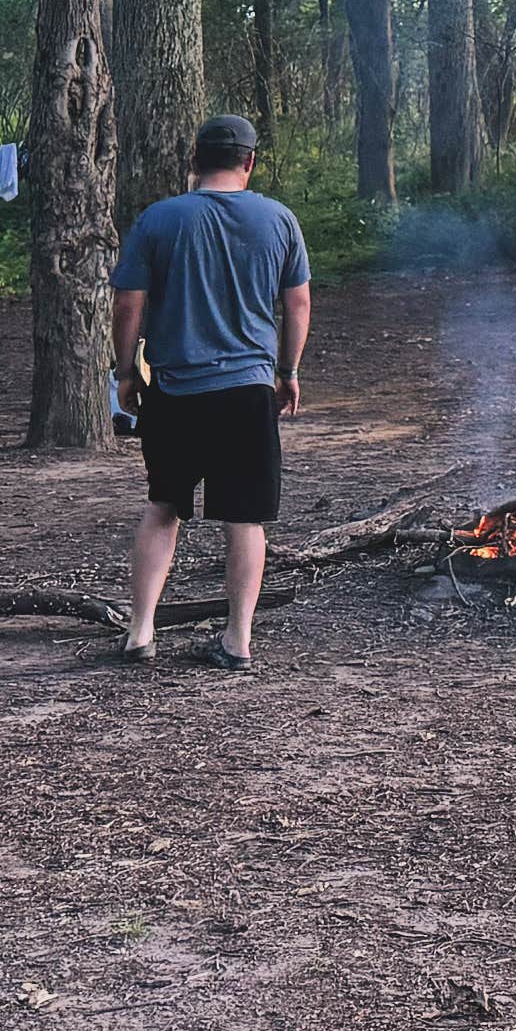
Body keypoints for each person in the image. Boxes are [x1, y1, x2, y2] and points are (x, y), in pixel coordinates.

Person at [109, 112, 312, 671]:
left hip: (174, 391)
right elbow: (296, 304)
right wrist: (287, 371)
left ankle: (140, 632)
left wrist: (126, 372)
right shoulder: (279, 221)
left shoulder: (159, 219)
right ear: (249, 162)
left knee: (163, 506)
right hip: (247, 391)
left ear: (193, 161)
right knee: (244, 517)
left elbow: (128, 304)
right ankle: (237, 641)